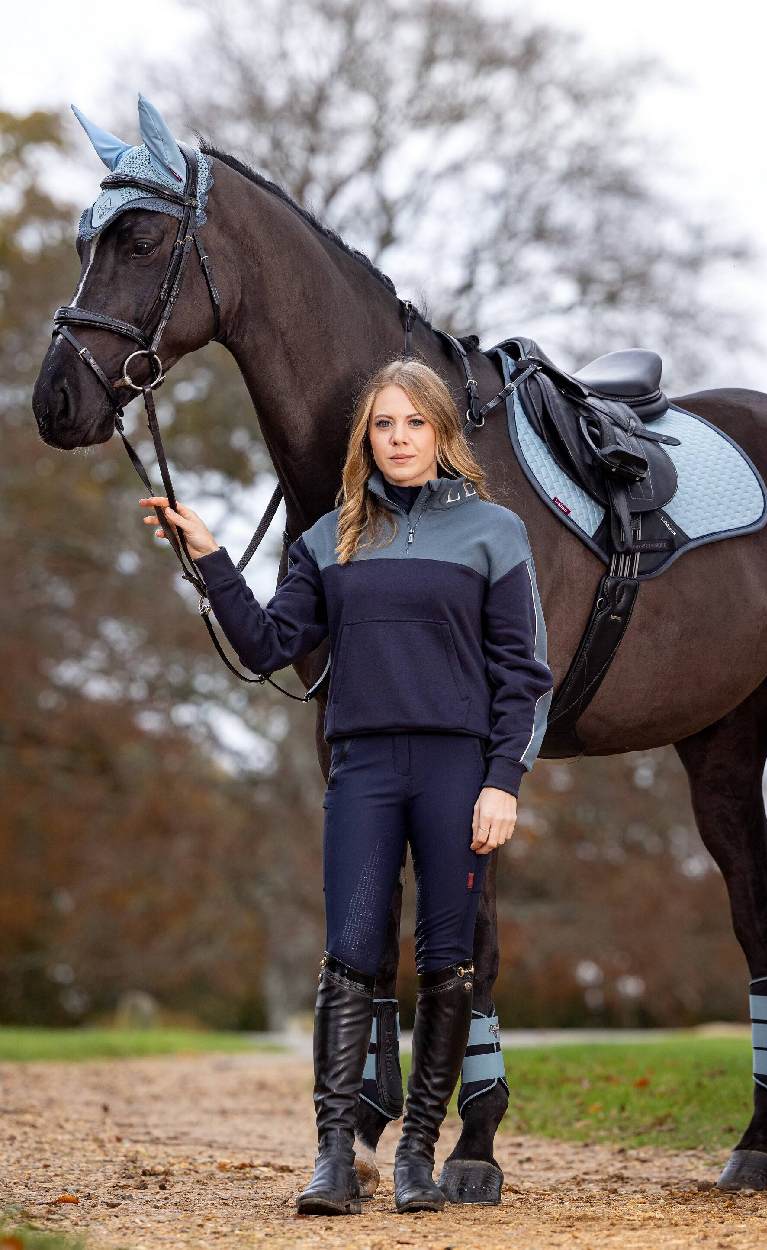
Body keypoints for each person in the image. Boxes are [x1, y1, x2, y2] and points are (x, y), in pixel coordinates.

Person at [139, 357, 554, 1216]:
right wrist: (213, 559)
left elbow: (524, 675)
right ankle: (334, 1157)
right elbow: (265, 646)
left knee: (448, 962)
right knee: (351, 958)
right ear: (366, 438)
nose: (398, 439)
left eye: (414, 424)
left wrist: (503, 782)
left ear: (441, 433)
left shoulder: (494, 533)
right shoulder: (329, 538)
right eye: (383, 426)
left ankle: (414, 1158)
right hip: (362, 769)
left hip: (456, 773)